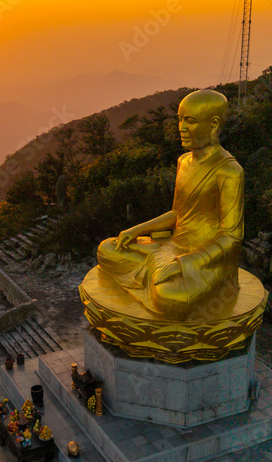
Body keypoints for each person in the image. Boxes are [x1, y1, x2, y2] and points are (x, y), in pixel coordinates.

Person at [95, 89, 243, 320]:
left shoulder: (229, 171)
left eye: (190, 121)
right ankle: (154, 272)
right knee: (107, 249)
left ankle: (155, 278)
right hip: (170, 247)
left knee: (170, 297)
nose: (181, 128)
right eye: (180, 119)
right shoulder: (184, 161)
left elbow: (231, 238)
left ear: (214, 124)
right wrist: (136, 230)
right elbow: (177, 214)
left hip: (204, 262)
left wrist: (184, 263)